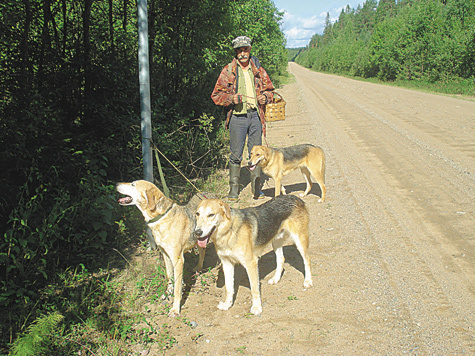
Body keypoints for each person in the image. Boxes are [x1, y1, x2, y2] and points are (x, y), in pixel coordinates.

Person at [211, 36, 275, 200]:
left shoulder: (258, 70)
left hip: (255, 117)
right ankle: (233, 191)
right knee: (235, 155)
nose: (242, 53)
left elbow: (270, 91)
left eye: (245, 49)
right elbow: (216, 95)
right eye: (239, 50)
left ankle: (256, 189)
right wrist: (230, 99)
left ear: (249, 50)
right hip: (237, 119)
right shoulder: (228, 71)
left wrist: (265, 98)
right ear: (236, 52)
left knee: (257, 154)